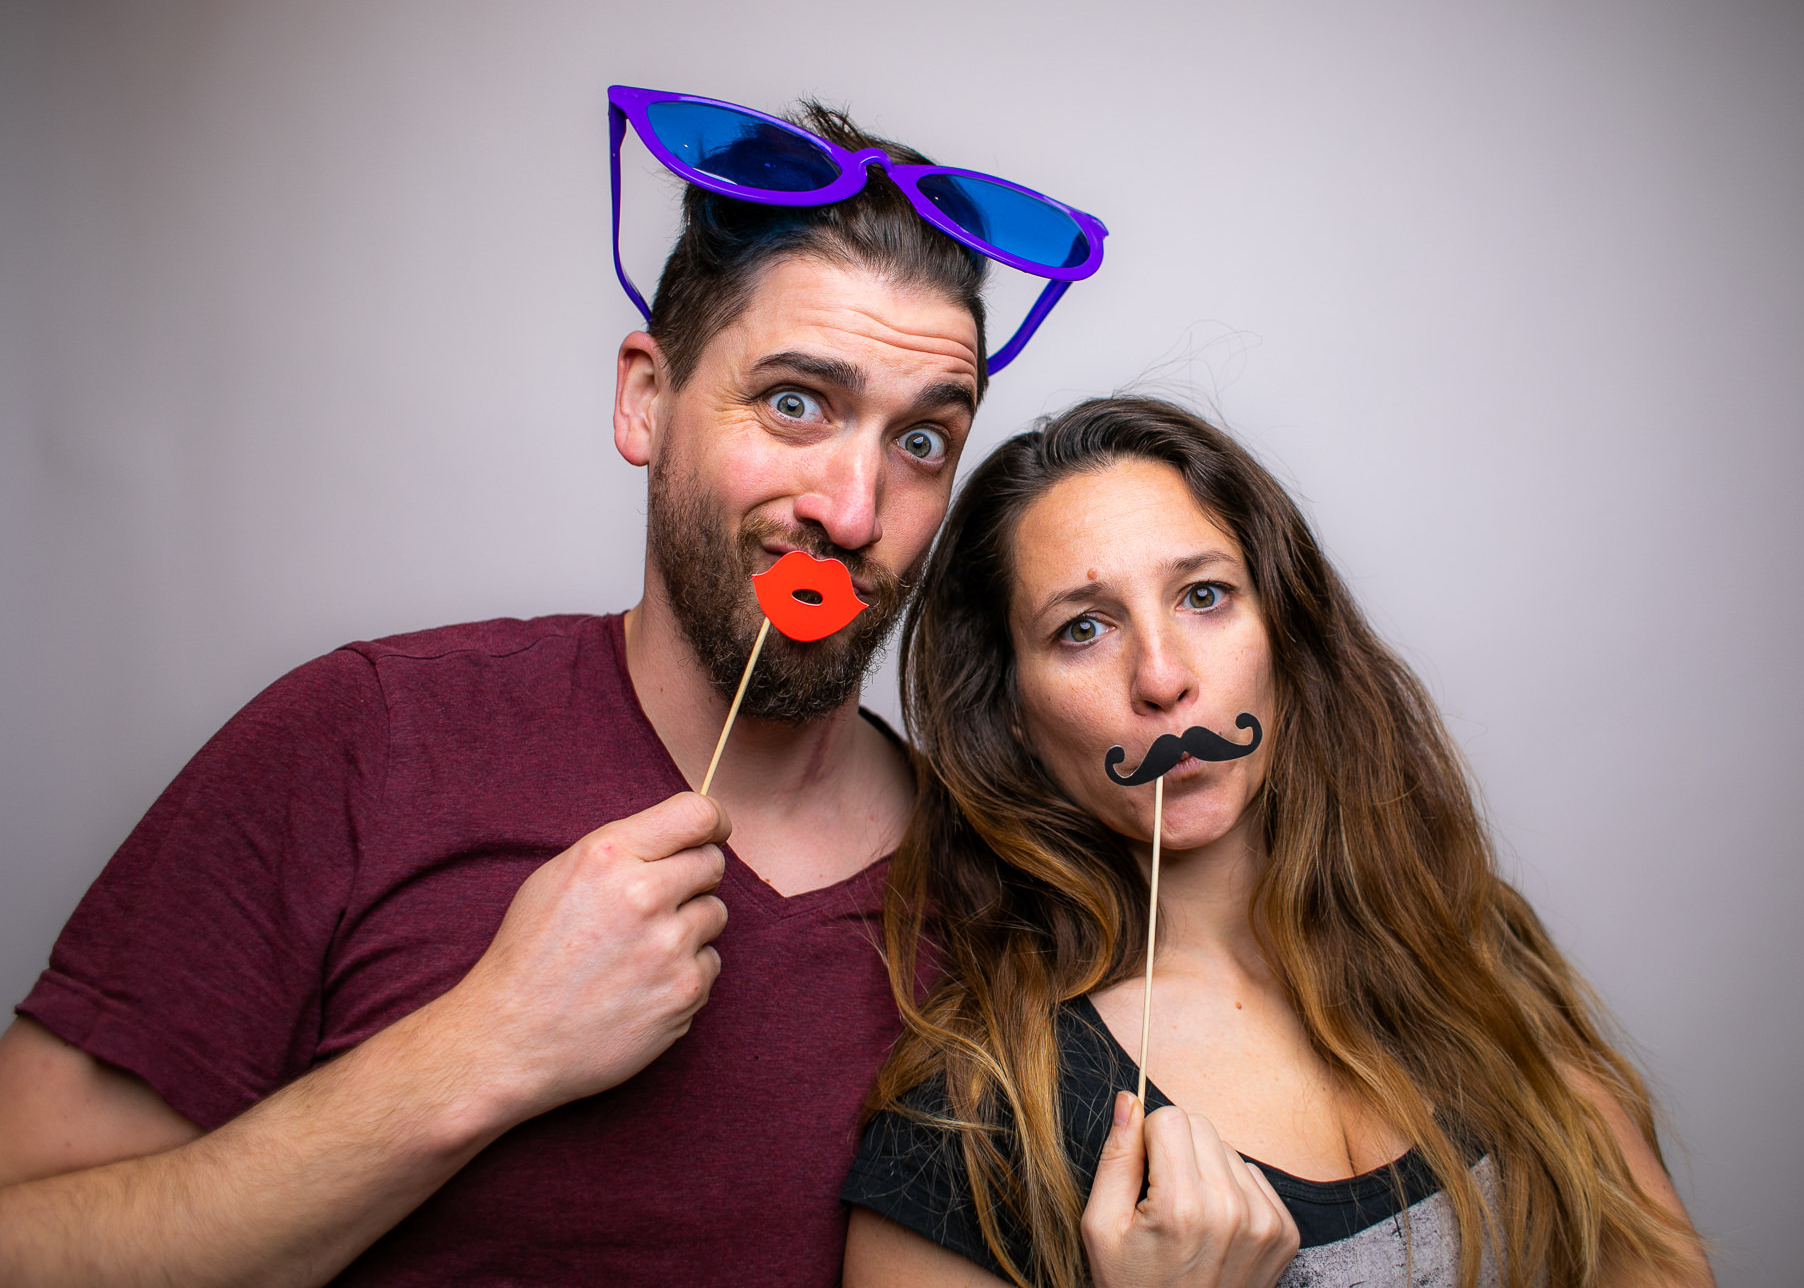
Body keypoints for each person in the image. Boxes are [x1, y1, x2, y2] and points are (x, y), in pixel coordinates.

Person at [0, 94, 1100, 1285]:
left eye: (921, 440)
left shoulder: (1004, 896)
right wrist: (485, 1047)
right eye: (796, 403)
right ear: (644, 398)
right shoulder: (367, 739)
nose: (850, 507)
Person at [841, 397, 1716, 1288]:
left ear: (1283, 635)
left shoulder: (1469, 946)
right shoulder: (969, 1121)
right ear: (1012, 712)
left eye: (1205, 596)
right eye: (1083, 628)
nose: (1162, 677)